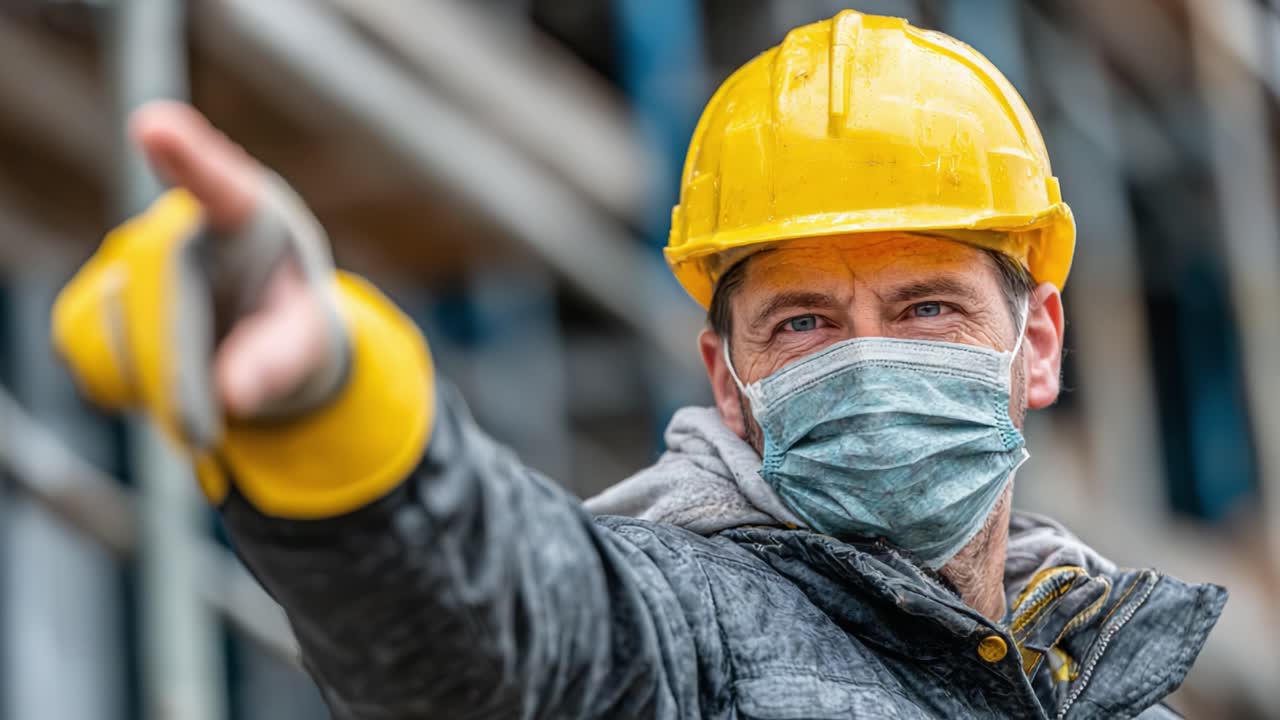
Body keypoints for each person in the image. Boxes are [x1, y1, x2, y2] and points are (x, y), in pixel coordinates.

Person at [53, 10, 1224, 719]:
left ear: (1037, 342)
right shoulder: (677, 632)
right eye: (805, 324)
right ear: (726, 378)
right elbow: (500, 632)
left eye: (925, 306)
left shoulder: (1115, 692)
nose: (869, 359)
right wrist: (334, 405)